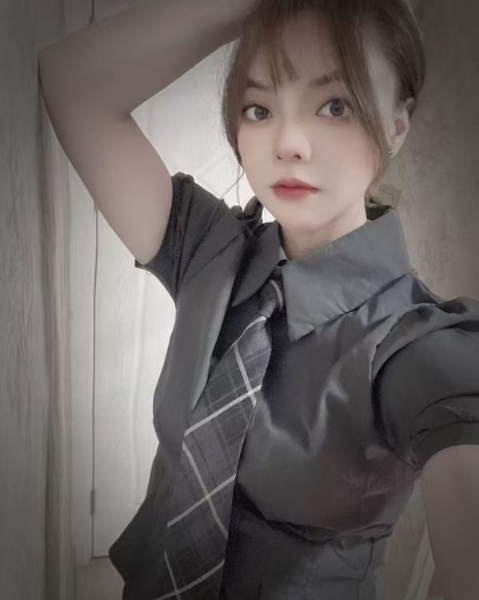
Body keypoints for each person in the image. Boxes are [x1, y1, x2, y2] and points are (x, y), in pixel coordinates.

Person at [38, 1, 479, 599]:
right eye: (259, 108)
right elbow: (73, 85)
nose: (288, 142)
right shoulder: (209, 248)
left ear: (396, 125)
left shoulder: (413, 345)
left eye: (336, 105)